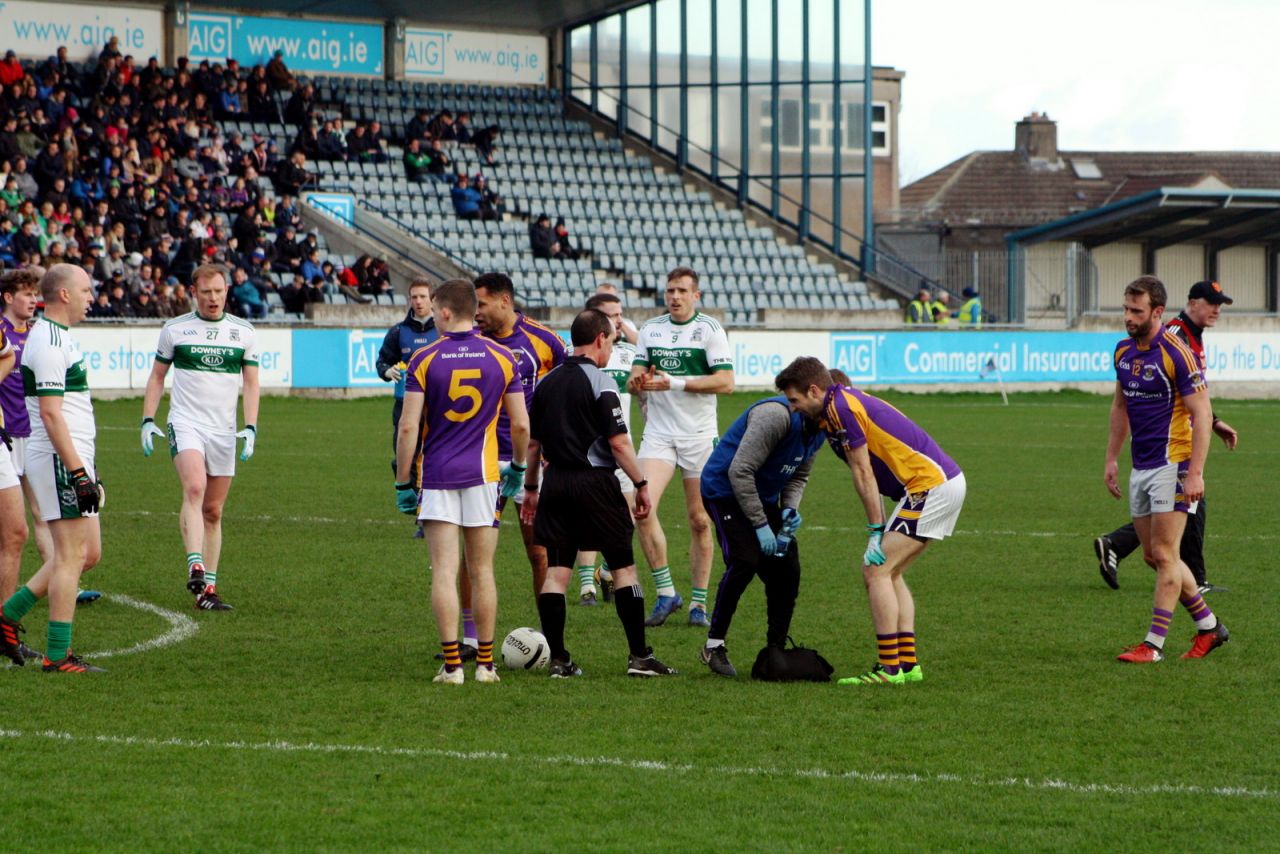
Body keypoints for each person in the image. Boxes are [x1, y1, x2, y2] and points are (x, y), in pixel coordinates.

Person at [776, 355, 966, 686]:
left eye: (794, 400)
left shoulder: (839, 409)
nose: (792, 408)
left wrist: (875, 531)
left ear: (814, 390)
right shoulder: (840, 406)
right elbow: (869, 476)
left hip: (930, 486)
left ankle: (889, 669)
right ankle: (907, 665)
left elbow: (864, 473)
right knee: (890, 573)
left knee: (874, 570)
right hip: (938, 484)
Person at [520, 308, 676, 678]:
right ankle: (640, 657)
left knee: (557, 574)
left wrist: (530, 488)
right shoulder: (602, 382)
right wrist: (641, 484)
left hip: (555, 483)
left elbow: (533, 444)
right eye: (613, 339)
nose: (613, 347)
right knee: (623, 569)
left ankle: (559, 660)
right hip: (596, 484)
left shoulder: (546, 382)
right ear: (600, 338)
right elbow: (619, 443)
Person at [394, 279, 529, 685]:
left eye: (434, 310)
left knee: (444, 571)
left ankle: (453, 666)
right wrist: (519, 468)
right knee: (483, 569)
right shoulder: (504, 358)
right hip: (485, 475)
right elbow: (521, 424)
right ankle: (486, 665)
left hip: (436, 476)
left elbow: (407, 428)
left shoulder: (425, 358)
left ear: (447, 312)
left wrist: (403, 483)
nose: (432, 316)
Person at [1105, 275, 1228, 664]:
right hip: (1141, 466)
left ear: (1157, 312)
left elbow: (1202, 412)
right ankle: (1209, 628)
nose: (1128, 317)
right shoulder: (1123, 352)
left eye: (1136, 311)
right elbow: (1120, 407)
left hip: (1173, 463)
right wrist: (1111, 458)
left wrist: (1195, 473)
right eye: (1125, 309)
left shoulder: (1175, 351)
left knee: (1164, 551)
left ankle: (1153, 645)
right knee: (1153, 556)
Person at [0, 265, 104, 673]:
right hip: (62, 462)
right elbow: (50, 414)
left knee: (87, 554)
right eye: (85, 290)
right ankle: (58, 656)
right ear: (63, 294)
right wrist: (78, 473)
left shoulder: (59, 337)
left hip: (74, 457)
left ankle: (6, 617)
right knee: (70, 555)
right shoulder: (46, 342)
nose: (91, 297)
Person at [140, 264, 260, 611]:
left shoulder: (244, 332)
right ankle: (195, 563)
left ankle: (207, 591)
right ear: (195, 292)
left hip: (223, 430)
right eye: (206, 292)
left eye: (219, 291)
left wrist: (250, 427)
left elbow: (251, 383)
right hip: (186, 422)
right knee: (194, 489)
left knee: (213, 510)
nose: (213, 298)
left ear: (227, 291)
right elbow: (157, 376)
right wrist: (148, 418)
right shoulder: (175, 330)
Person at [626, 267, 734, 627]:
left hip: (700, 437)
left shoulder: (710, 330)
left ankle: (699, 605)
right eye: (670, 290)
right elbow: (633, 378)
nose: (674, 296)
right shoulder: (651, 330)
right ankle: (666, 592)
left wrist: (673, 383)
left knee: (700, 520)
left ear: (696, 295)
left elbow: (726, 382)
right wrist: (637, 382)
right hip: (659, 434)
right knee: (640, 508)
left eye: (682, 291)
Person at [698, 391, 826, 677]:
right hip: (724, 491)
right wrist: (761, 525)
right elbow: (739, 472)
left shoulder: (822, 428)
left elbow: (798, 475)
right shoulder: (775, 416)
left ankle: (776, 650)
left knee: (787, 567)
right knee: (746, 560)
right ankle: (713, 645)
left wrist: (788, 511)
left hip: (761, 497)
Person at [472, 272, 566, 602]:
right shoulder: (469, 340)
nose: (476, 312)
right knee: (474, 557)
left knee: (539, 553)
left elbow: (566, 389)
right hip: (479, 460)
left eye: (481, 304)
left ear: (505, 300)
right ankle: (470, 639)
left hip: (529, 461)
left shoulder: (544, 340)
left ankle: (549, 638)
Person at [0, 270, 58, 631]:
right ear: (7, 297)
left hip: (30, 434)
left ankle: (56, 576)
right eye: (25, 294)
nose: (33, 300)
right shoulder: (5, 331)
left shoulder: (37, 336)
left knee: (37, 516)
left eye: (36, 294)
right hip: (8, 434)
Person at [571, 292, 638, 604]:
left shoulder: (628, 353)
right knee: (586, 518)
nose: (619, 319)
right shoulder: (579, 357)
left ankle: (608, 571)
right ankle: (587, 586)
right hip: (589, 450)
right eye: (612, 314)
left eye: (621, 313)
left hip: (622, 446)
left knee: (628, 517)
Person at [376, 277, 438, 478]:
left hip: (436, 403)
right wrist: (387, 371)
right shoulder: (398, 331)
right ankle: (408, 491)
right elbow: (382, 362)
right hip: (405, 403)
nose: (418, 301)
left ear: (432, 300)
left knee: (434, 454)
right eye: (414, 297)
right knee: (404, 453)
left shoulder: (443, 330)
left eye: (423, 297)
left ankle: (430, 495)